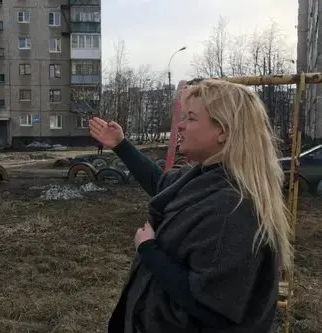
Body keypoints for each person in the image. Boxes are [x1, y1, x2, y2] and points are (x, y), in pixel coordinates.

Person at [89, 79, 292, 333]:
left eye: (192, 118)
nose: (181, 125)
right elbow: (161, 182)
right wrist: (120, 144)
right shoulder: (206, 177)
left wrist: (149, 250)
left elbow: (212, 307)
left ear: (223, 131)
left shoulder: (231, 209)